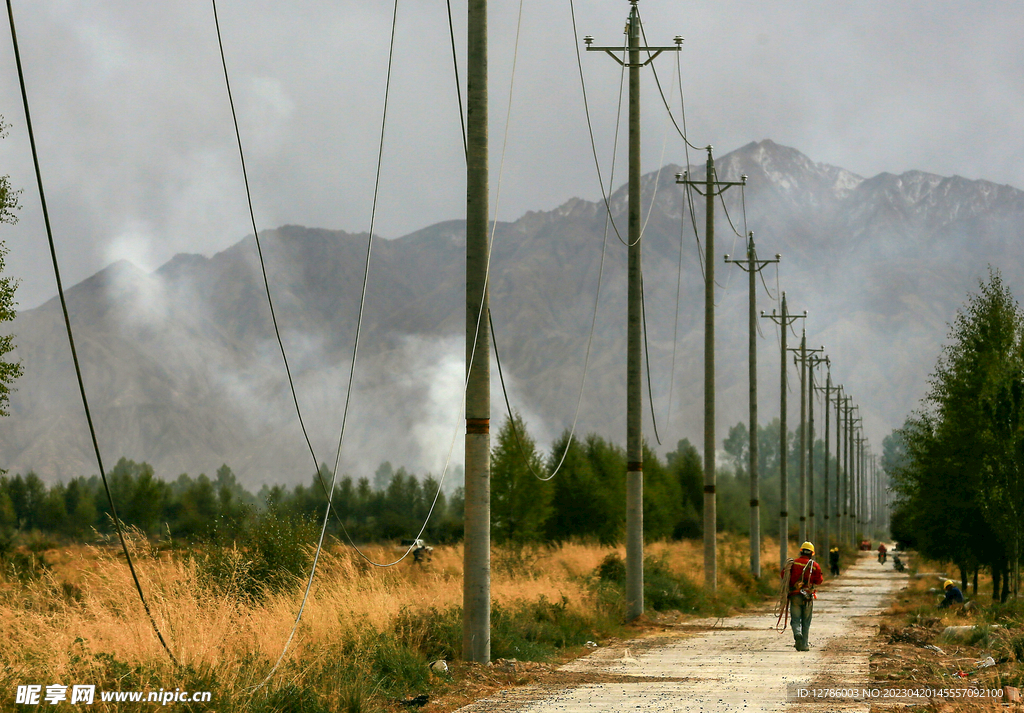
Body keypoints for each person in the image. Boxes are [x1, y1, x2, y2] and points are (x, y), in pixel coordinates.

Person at [783, 541, 824, 651]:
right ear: (812, 553)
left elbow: (784, 574)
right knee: (806, 621)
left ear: (801, 551)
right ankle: (804, 644)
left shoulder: (793, 563)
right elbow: (819, 580)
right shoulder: (814, 565)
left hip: (795, 595)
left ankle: (797, 633)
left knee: (795, 620)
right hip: (807, 597)